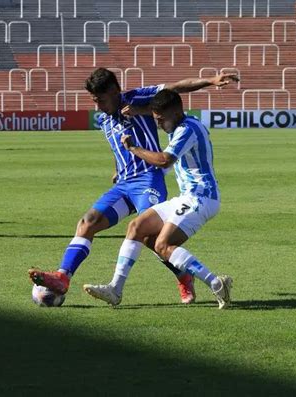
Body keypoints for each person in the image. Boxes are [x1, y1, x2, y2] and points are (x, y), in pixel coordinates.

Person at [29, 68, 238, 305]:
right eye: (94, 101)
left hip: (149, 180)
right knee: (88, 222)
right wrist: (118, 169)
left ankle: (184, 276)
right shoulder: (105, 120)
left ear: (115, 92)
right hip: (125, 184)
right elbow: (119, 150)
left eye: (101, 100)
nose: (98, 106)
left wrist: (210, 80)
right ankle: (63, 277)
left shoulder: (138, 99)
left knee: (151, 238)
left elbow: (175, 88)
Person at [83, 89, 234, 309]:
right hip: (186, 197)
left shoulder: (187, 129)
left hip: (202, 198)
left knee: (163, 245)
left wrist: (133, 148)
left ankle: (216, 283)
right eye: (157, 120)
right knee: (138, 227)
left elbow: (164, 160)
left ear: (175, 112)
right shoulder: (181, 125)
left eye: (161, 120)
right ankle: (115, 289)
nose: (160, 125)